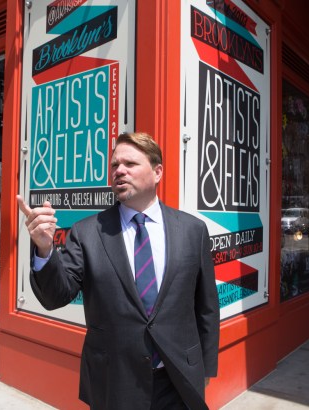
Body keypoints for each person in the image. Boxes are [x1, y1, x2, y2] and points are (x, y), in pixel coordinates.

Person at [17, 132, 219, 409]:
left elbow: (206, 306)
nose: (119, 170)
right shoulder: (88, 232)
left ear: (157, 172)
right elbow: (55, 296)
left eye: (130, 164)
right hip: (115, 382)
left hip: (179, 378)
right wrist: (44, 249)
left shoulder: (192, 230)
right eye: (114, 165)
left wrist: (206, 368)